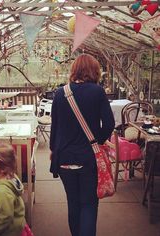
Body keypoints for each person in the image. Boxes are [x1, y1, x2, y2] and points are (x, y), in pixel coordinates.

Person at [49, 54, 115, 236]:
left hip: (64, 158)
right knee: (88, 204)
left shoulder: (60, 93)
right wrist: (97, 141)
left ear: (74, 70)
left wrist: (54, 150)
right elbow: (109, 124)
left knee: (73, 203)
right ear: (94, 71)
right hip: (88, 159)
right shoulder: (98, 92)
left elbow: (54, 127)